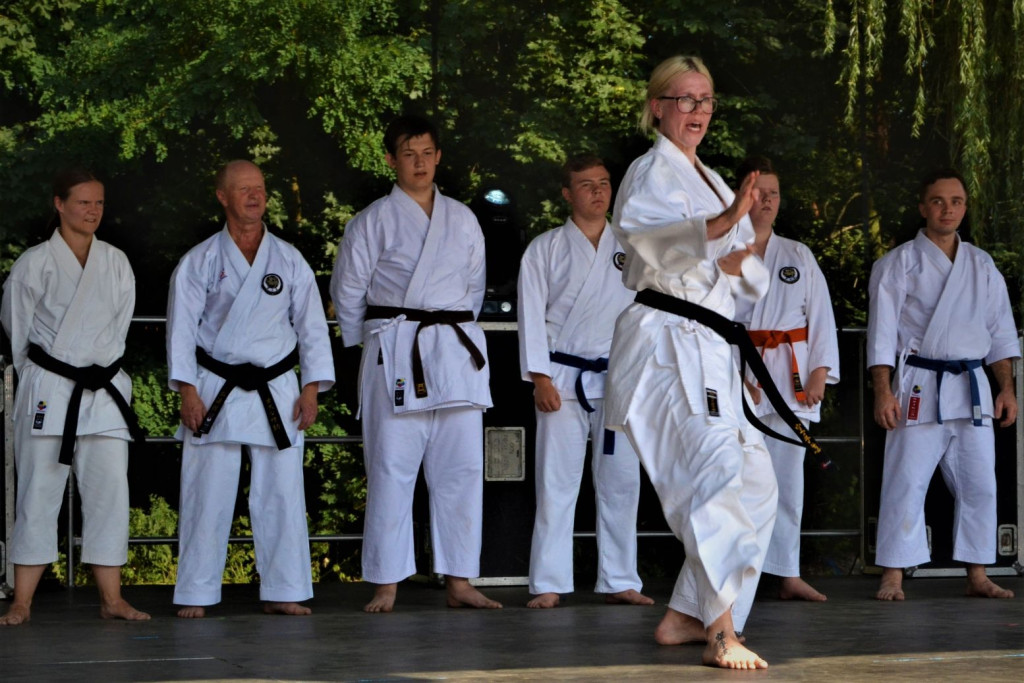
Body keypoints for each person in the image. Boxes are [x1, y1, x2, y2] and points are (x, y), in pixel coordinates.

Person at [604, 55, 778, 670]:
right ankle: (721, 633)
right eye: (684, 99)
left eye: (705, 100)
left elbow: (744, 274)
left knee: (757, 484)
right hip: (668, 346)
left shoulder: (712, 178)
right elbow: (648, 241)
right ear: (657, 107)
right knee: (712, 482)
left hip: (712, 347)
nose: (697, 111)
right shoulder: (648, 172)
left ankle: (685, 614)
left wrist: (740, 247)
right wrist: (726, 223)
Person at [331, 114, 501, 613]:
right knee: (391, 468)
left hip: (454, 351)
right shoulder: (372, 220)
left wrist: (446, 331)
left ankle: (460, 579)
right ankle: (386, 582)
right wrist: (375, 344)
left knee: (461, 469)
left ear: (439, 157)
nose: (420, 163)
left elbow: (473, 289)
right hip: (396, 351)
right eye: (409, 154)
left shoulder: (463, 219)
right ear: (391, 159)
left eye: (427, 153)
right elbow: (348, 293)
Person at [167, 160, 335, 618]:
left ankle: (284, 589)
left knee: (282, 493)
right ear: (222, 196)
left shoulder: (288, 258)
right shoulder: (200, 260)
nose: (254, 196)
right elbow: (181, 330)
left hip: (277, 387)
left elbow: (312, 328)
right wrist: (187, 391)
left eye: (259, 188)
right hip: (215, 386)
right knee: (207, 493)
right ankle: (197, 592)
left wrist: (311, 388)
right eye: (243, 189)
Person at [0, 169, 149, 626]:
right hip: (51, 386)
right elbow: (16, 330)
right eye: (84, 202)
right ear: (59, 204)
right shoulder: (35, 263)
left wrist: (95, 365)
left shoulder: (116, 262)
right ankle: (22, 601)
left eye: (99, 203)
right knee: (38, 493)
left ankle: (112, 599)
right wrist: (46, 373)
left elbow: (120, 328)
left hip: (103, 390)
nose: (93, 211)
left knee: (110, 494)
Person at [867, 167, 1018, 601]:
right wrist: (883, 390)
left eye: (956, 202)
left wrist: (1007, 389)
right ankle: (893, 573)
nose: (947, 209)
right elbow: (881, 335)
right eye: (938, 201)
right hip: (919, 382)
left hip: (972, 385)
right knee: (906, 479)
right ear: (923, 207)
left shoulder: (982, 264)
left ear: (965, 208)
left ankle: (978, 572)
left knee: (980, 482)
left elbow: (1000, 333)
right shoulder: (897, 263)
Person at [517, 154, 655, 610]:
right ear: (567, 193)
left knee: (622, 482)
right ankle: (549, 581)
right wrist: (539, 377)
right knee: (556, 482)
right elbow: (530, 317)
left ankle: (620, 578)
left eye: (604, 183)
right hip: (561, 377)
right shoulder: (545, 248)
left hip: (618, 377)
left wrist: (642, 374)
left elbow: (646, 314)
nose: (598, 191)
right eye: (586, 184)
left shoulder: (631, 246)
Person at [733, 156, 840, 602]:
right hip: (743, 374)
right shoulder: (723, 252)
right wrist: (735, 377)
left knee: (788, 481)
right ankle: (737, 573)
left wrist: (819, 373)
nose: (767, 201)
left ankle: (787, 571)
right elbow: (710, 322)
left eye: (773, 193)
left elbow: (821, 318)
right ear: (742, 197)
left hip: (792, 379)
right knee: (737, 480)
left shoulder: (798, 255)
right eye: (759, 193)